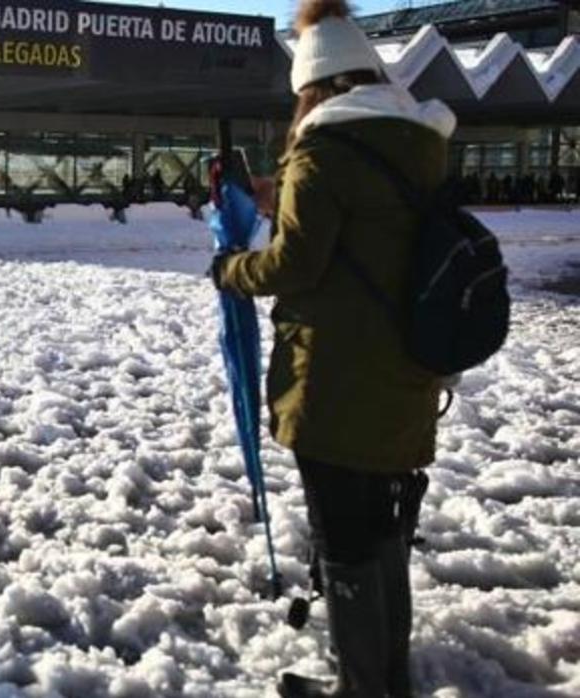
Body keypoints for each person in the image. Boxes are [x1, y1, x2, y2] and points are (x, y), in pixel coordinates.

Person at [211, 1, 455, 695]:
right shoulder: (414, 141)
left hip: (337, 382)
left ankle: (359, 687)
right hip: (407, 370)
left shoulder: (325, 149)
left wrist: (230, 270)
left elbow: (296, 267)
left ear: (311, 87)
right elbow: (365, 231)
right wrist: (279, 196)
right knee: (384, 532)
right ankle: (387, 678)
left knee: (344, 538)